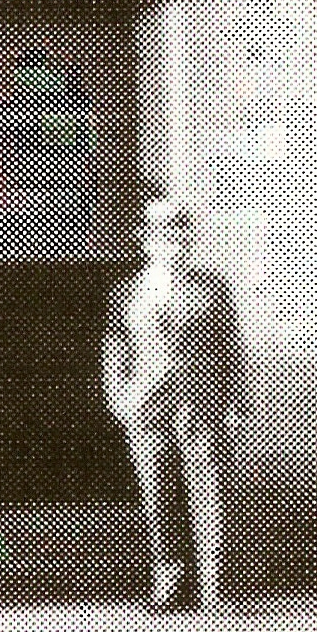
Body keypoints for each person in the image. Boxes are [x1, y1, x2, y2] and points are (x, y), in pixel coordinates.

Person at [102, 196, 250, 611]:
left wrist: (236, 404)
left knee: (210, 495)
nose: (173, 243)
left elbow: (230, 349)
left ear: (190, 238)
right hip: (149, 405)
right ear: (147, 240)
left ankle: (216, 587)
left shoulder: (213, 288)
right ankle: (169, 581)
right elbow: (115, 349)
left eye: (180, 233)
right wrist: (121, 398)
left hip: (202, 404)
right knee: (158, 494)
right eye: (163, 234)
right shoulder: (129, 292)